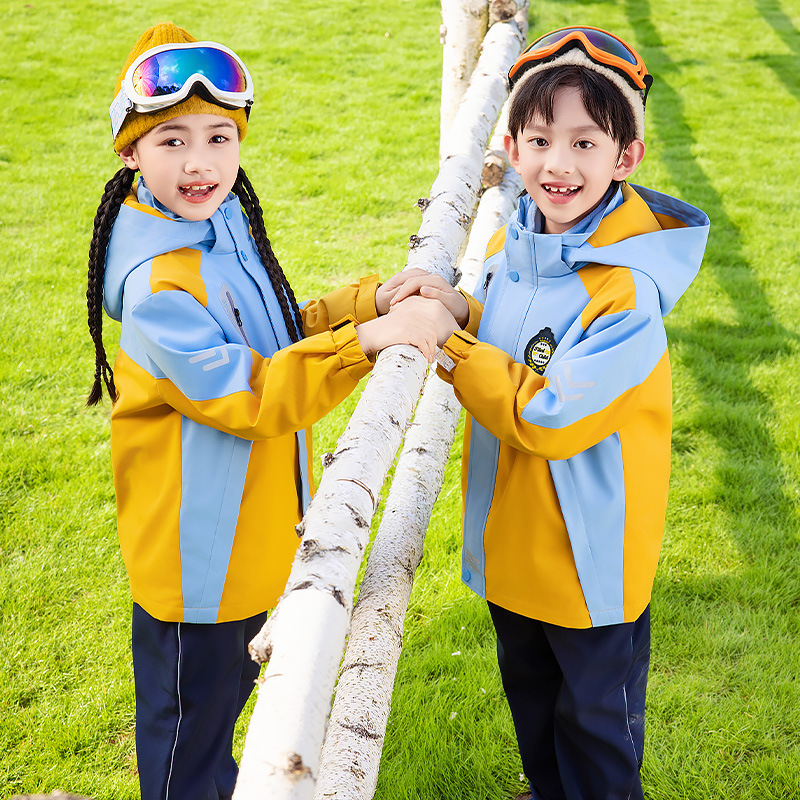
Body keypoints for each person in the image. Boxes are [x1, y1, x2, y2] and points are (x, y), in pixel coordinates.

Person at [85, 22, 456, 800]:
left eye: (219, 137)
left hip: (255, 540)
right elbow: (251, 392)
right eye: (172, 141)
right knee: (190, 748)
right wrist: (369, 341)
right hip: (197, 564)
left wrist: (368, 303)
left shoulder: (220, 227)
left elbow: (279, 332)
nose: (200, 162)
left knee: (236, 714)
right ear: (130, 154)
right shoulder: (158, 285)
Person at [388, 25, 710, 800]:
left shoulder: (626, 294)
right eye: (539, 140)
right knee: (533, 711)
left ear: (625, 157)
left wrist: (449, 345)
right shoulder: (519, 241)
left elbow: (553, 415)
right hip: (514, 547)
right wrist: (457, 308)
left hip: (588, 566)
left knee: (594, 732)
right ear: (511, 146)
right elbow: (506, 331)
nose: (558, 164)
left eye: (585, 143)